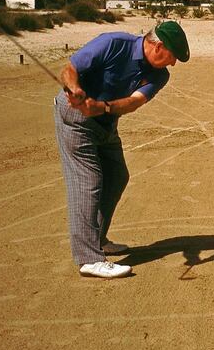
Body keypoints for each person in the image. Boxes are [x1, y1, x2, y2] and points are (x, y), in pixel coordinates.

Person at [54, 21, 189, 278]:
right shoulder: (113, 43)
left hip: (106, 122)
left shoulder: (161, 75)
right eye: (172, 57)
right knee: (88, 180)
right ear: (158, 46)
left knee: (117, 176)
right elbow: (69, 69)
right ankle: (88, 258)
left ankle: (98, 239)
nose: (173, 64)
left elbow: (133, 102)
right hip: (75, 119)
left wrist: (103, 108)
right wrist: (75, 90)